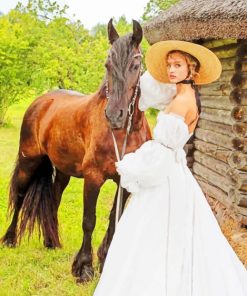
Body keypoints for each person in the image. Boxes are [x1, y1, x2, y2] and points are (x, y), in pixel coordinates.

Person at [93, 40, 247, 296]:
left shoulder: (181, 102)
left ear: (191, 70)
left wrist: (130, 166)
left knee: (153, 234)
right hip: (176, 174)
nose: (171, 70)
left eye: (178, 65)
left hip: (166, 178)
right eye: (169, 65)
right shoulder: (182, 95)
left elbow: (161, 152)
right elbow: (149, 96)